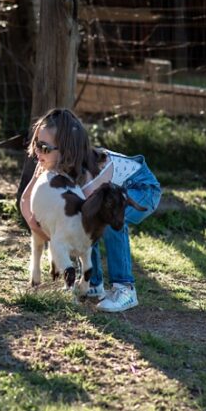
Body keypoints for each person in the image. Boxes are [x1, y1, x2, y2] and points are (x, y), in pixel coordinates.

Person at [19, 108, 161, 313]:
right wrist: (35, 223)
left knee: (106, 218)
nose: (38, 152)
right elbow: (25, 199)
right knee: (85, 221)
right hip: (113, 191)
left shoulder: (91, 175)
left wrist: (52, 233)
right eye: (35, 144)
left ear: (67, 149)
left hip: (143, 188)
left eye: (44, 147)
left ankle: (125, 289)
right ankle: (93, 284)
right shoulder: (47, 160)